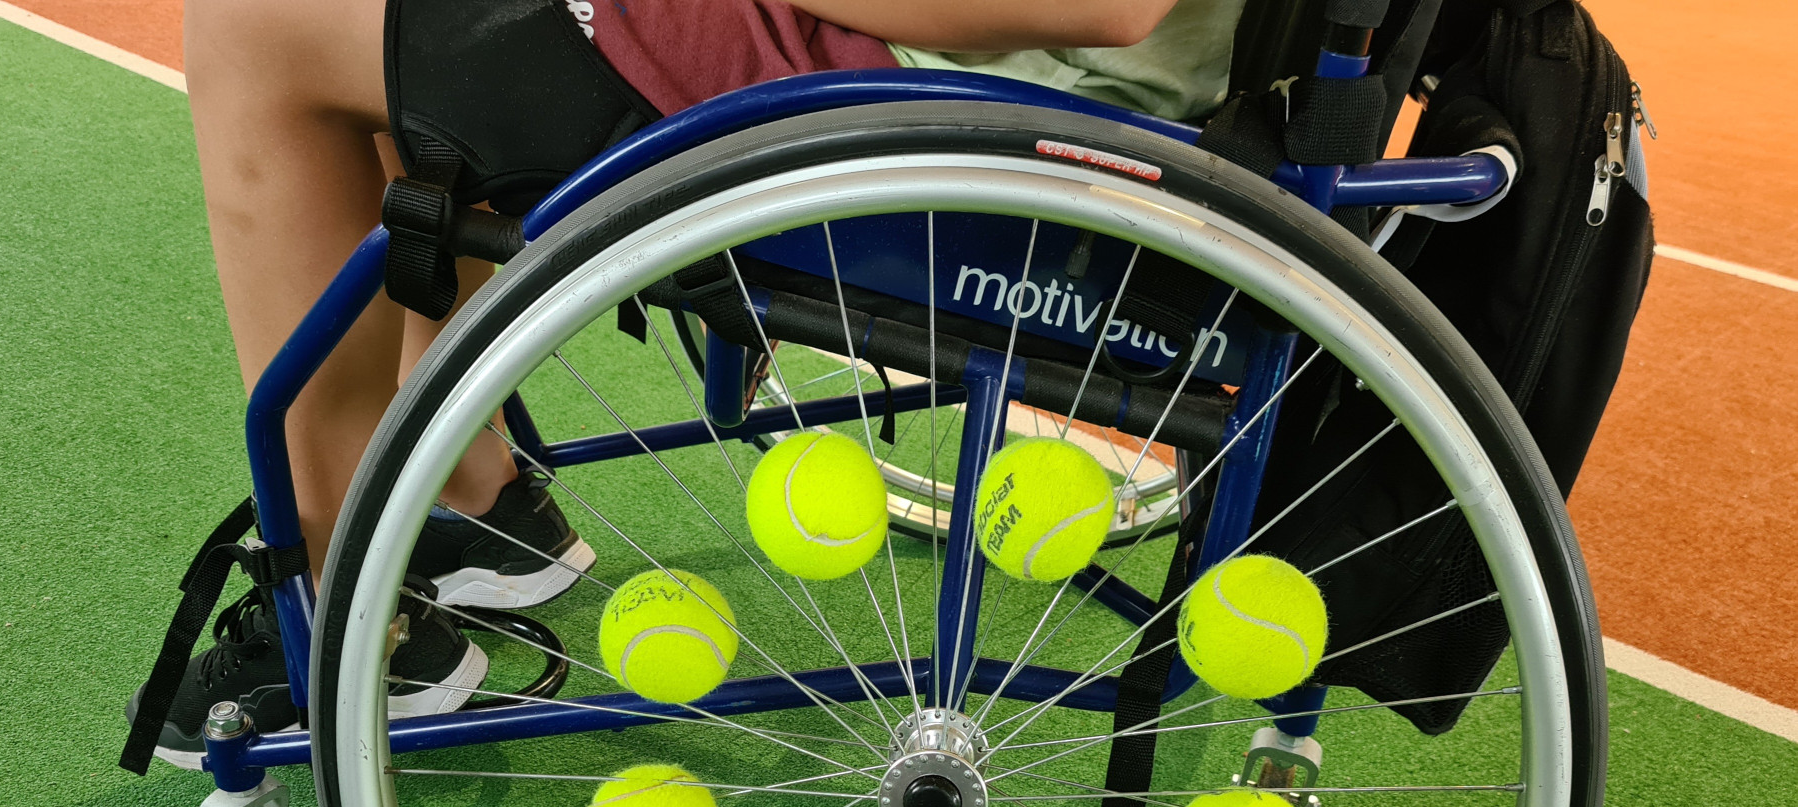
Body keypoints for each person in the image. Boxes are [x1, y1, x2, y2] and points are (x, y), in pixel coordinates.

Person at [138, 0, 1247, 766]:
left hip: (977, 123)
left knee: (254, 22)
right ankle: (472, 497)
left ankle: (336, 599)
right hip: (1003, 91)